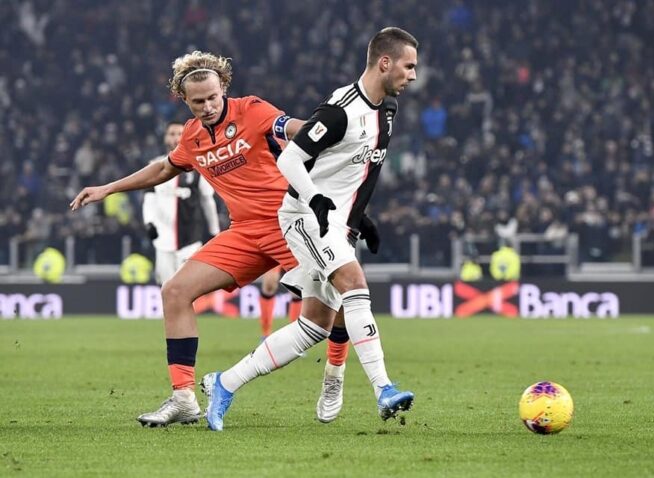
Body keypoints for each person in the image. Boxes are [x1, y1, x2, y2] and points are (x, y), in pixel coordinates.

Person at [70, 50, 312, 428]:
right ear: (184, 100)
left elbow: (297, 128)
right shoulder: (192, 136)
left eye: (214, 97)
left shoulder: (252, 110)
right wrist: (109, 188)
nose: (208, 106)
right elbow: (165, 168)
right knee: (174, 291)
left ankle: (354, 382)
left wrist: (333, 128)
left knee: (335, 301)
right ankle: (184, 398)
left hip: (289, 224)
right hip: (245, 233)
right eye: (198, 101)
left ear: (224, 88)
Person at [202, 27, 419, 430]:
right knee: (354, 285)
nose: (413, 75)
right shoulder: (340, 111)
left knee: (313, 328)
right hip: (305, 216)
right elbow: (291, 162)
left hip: (338, 221)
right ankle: (383, 389)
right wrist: (316, 199)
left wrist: (359, 218)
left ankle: (224, 383)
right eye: (409, 66)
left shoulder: (386, 110)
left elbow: (355, 169)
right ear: (384, 63)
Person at [142, 122, 220, 284]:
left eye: (180, 134)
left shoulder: (199, 165)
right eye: (172, 134)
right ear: (165, 138)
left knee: (186, 289)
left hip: (190, 239)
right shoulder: (154, 166)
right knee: (166, 289)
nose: (176, 138)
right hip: (163, 240)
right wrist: (149, 223)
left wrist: (214, 232)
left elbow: (207, 200)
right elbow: (149, 199)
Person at [258, 266, 302, 340]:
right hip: (275, 255)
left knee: (297, 288)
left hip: (294, 254)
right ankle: (266, 334)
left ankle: (295, 338)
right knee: (269, 284)